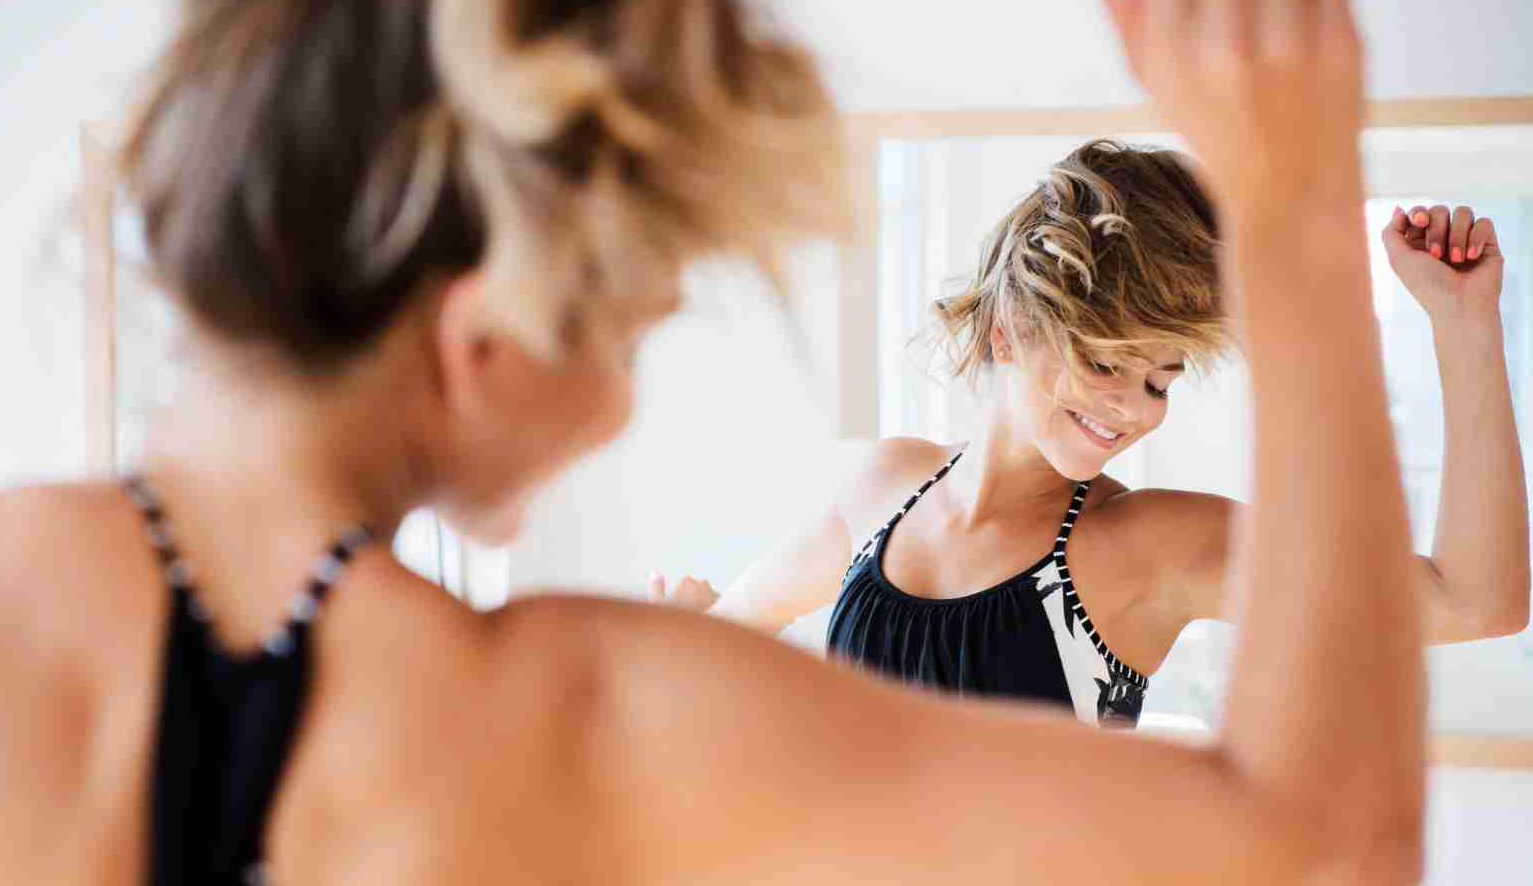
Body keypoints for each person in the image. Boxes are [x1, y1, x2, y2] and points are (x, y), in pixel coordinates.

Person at [0, 0, 1441, 886]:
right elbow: (1324, 821)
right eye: (639, 320)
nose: (624, 394)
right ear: (484, 331)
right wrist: (1289, 213)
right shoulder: (581, 713)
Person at [652, 155, 1527, 727]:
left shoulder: (1144, 548)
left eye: (1160, 379)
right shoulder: (886, 489)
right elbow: (734, 626)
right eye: (1107, 362)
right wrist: (686, 629)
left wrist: (1462, 322)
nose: (1134, 410)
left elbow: (1477, 600)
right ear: (1006, 328)